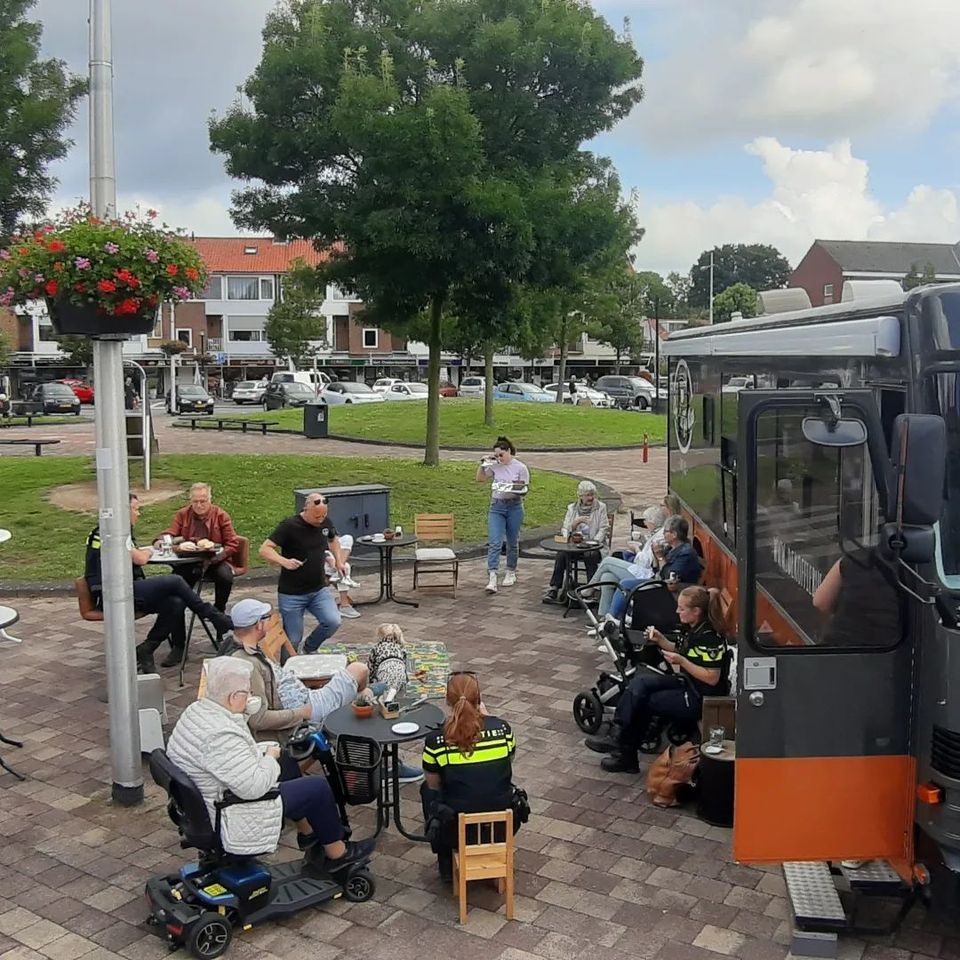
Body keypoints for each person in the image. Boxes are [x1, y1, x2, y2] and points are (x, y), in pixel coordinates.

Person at [166, 657, 375, 868]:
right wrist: (268, 759)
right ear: (233, 697)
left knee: (285, 760)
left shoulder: (197, 713)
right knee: (317, 788)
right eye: (247, 693)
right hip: (230, 813)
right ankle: (338, 855)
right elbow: (253, 787)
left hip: (209, 799)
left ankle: (309, 833)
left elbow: (226, 761)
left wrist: (269, 755)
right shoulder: (221, 735)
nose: (250, 697)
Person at [585, 586, 728, 773]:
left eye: (681, 609)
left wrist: (682, 661)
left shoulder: (710, 639)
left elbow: (711, 678)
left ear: (696, 611)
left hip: (700, 695)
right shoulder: (691, 627)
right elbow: (678, 650)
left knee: (645, 702)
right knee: (640, 683)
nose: (677, 612)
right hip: (687, 682)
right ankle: (618, 736)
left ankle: (624, 753)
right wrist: (660, 639)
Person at [84, 494, 232, 672]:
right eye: (136, 509)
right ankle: (215, 616)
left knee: (176, 602)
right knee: (175, 581)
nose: (138, 514)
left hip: (121, 589)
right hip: (114, 593)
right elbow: (140, 558)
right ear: (124, 511)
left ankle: (147, 648)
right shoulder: (114, 532)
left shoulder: (107, 529)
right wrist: (146, 552)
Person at [227, 598, 370, 772]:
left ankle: (361, 700)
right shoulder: (247, 663)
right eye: (267, 618)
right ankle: (369, 760)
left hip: (305, 699)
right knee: (360, 671)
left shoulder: (246, 649)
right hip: (307, 711)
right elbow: (258, 719)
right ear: (259, 625)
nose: (269, 622)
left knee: (363, 700)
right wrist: (301, 713)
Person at [421, 672, 518, 881]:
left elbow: (434, 785)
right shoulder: (503, 729)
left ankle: (445, 861)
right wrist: (489, 718)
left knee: (426, 791)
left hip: (455, 829)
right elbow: (506, 763)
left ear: (448, 701)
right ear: (479, 699)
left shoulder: (436, 740)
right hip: (501, 826)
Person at [259, 493, 344, 653]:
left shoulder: (325, 523)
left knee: (333, 621)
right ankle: (286, 670)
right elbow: (264, 549)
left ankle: (309, 648)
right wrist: (284, 561)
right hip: (292, 593)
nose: (320, 520)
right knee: (293, 638)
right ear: (306, 509)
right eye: (317, 516)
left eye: (323, 515)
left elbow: (333, 540)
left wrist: (338, 560)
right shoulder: (290, 526)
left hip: (318, 589)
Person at [599, 515, 702, 631]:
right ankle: (607, 618)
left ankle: (611, 621)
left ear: (674, 535)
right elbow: (656, 568)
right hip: (657, 580)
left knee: (624, 583)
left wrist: (660, 557)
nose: (663, 534)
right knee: (608, 576)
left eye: (666, 532)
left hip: (671, 590)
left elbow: (669, 577)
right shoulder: (670, 548)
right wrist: (656, 555)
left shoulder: (685, 553)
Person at [155, 483, 241, 613]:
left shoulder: (221, 515)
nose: (199, 505)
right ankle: (177, 618)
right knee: (174, 583)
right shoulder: (183, 514)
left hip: (215, 560)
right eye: (195, 502)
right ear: (190, 500)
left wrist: (215, 556)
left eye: (203, 501)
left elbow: (233, 544)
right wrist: (178, 546)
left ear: (210, 500)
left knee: (225, 576)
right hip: (188, 561)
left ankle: (218, 611)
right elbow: (166, 537)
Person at [579, 504, 668, 616]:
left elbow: (645, 562)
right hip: (642, 570)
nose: (645, 523)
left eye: (646, 520)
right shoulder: (656, 533)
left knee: (607, 561)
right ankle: (604, 617)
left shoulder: (659, 537)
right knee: (606, 577)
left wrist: (636, 549)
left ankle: (589, 589)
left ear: (653, 522)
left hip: (645, 574)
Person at [813, 548, 903, 647]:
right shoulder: (914, 572)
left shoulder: (854, 558)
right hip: (887, 653)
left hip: (840, 649)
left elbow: (820, 602)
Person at [477, 436, 530, 595]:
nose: (499, 458)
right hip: (497, 507)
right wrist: (483, 464)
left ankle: (510, 570)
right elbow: (480, 478)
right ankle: (492, 575)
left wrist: (512, 489)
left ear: (509, 452)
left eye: (501, 455)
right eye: (496, 455)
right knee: (495, 541)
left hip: (514, 506)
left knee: (512, 541)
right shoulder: (495, 466)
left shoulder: (520, 467)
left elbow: (524, 489)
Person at [543, 481, 609, 603]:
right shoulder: (572, 508)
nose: (590, 498)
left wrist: (594, 542)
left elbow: (604, 528)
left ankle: (591, 590)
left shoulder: (600, 507)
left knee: (591, 555)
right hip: (575, 546)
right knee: (561, 554)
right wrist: (575, 524)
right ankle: (554, 588)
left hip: (594, 546)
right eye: (587, 495)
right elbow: (565, 529)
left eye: (592, 495)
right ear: (580, 496)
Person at [325, 534, 360, 619]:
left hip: (333, 558)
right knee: (346, 567)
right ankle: (344, 606)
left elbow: (334, 539)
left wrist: (336, 559)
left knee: (348, 538)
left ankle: (338, 568)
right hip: (316, 559)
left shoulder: (325, 525)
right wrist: (327, 557)